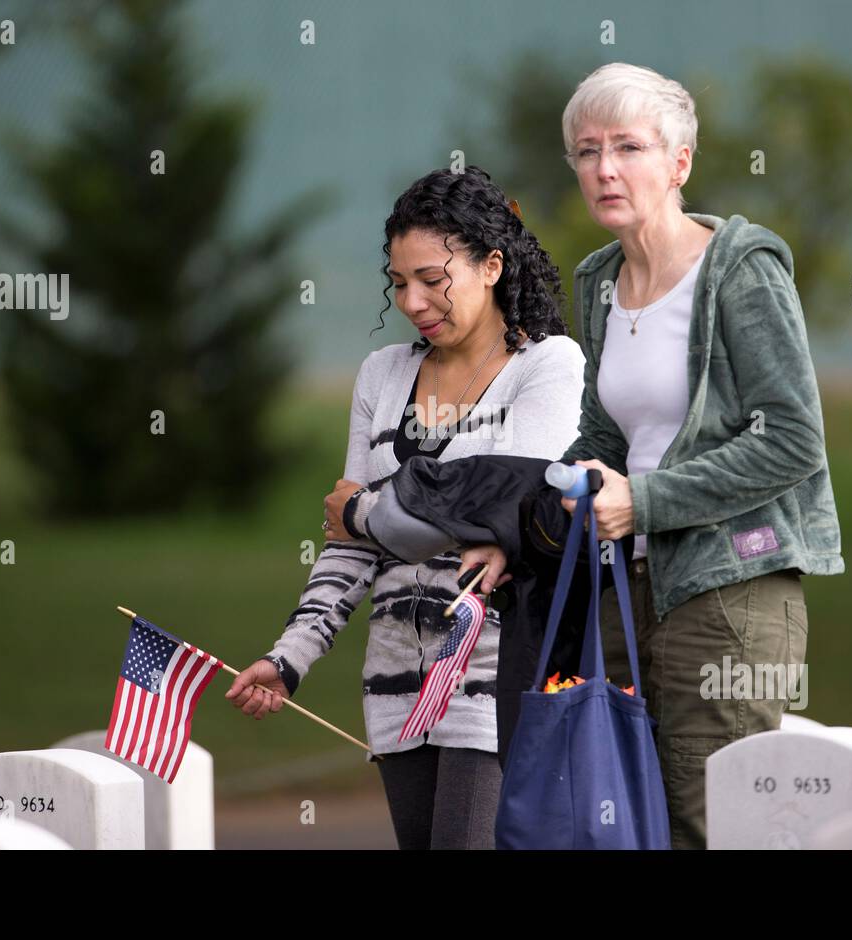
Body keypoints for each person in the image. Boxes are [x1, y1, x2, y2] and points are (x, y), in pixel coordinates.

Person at [461, 62, 845, 849]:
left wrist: (644, 502)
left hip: (732, 589)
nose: (604, 168)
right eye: (587, 150)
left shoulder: (740, 270)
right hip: (624, 589)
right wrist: (517, 533)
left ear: (679, 163)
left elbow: (794, 439)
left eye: (628, 147)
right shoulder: (602, 278)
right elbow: (603, 440)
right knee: (623, 816)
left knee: (709, 824)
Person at [225, 166, 584, 849]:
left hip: (496, 675)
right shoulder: (383, 374)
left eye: (432, 278)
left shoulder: (550, 366)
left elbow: (508, 508)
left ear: (492, 266)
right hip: (394, 687)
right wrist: (289, 657)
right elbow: (350, 544)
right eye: (398, 282)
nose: (413, 300)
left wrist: (370, 509)